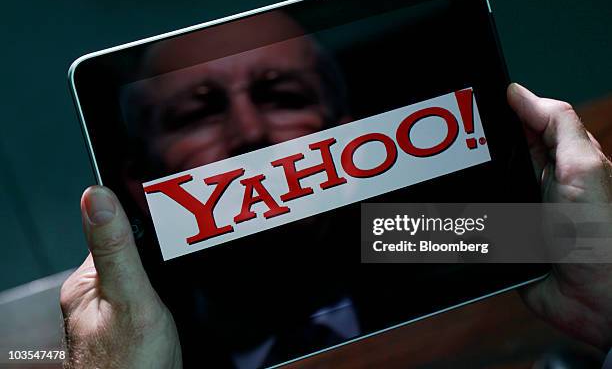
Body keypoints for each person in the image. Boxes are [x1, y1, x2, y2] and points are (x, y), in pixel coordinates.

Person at [60, 82, 612, 368]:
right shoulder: (147, 343)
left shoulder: (436, 239)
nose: (250, 130)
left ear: (346, 138)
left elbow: (567, 255)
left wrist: (607, 291)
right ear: (136, 181)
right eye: (195, 113)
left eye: (285, 96)